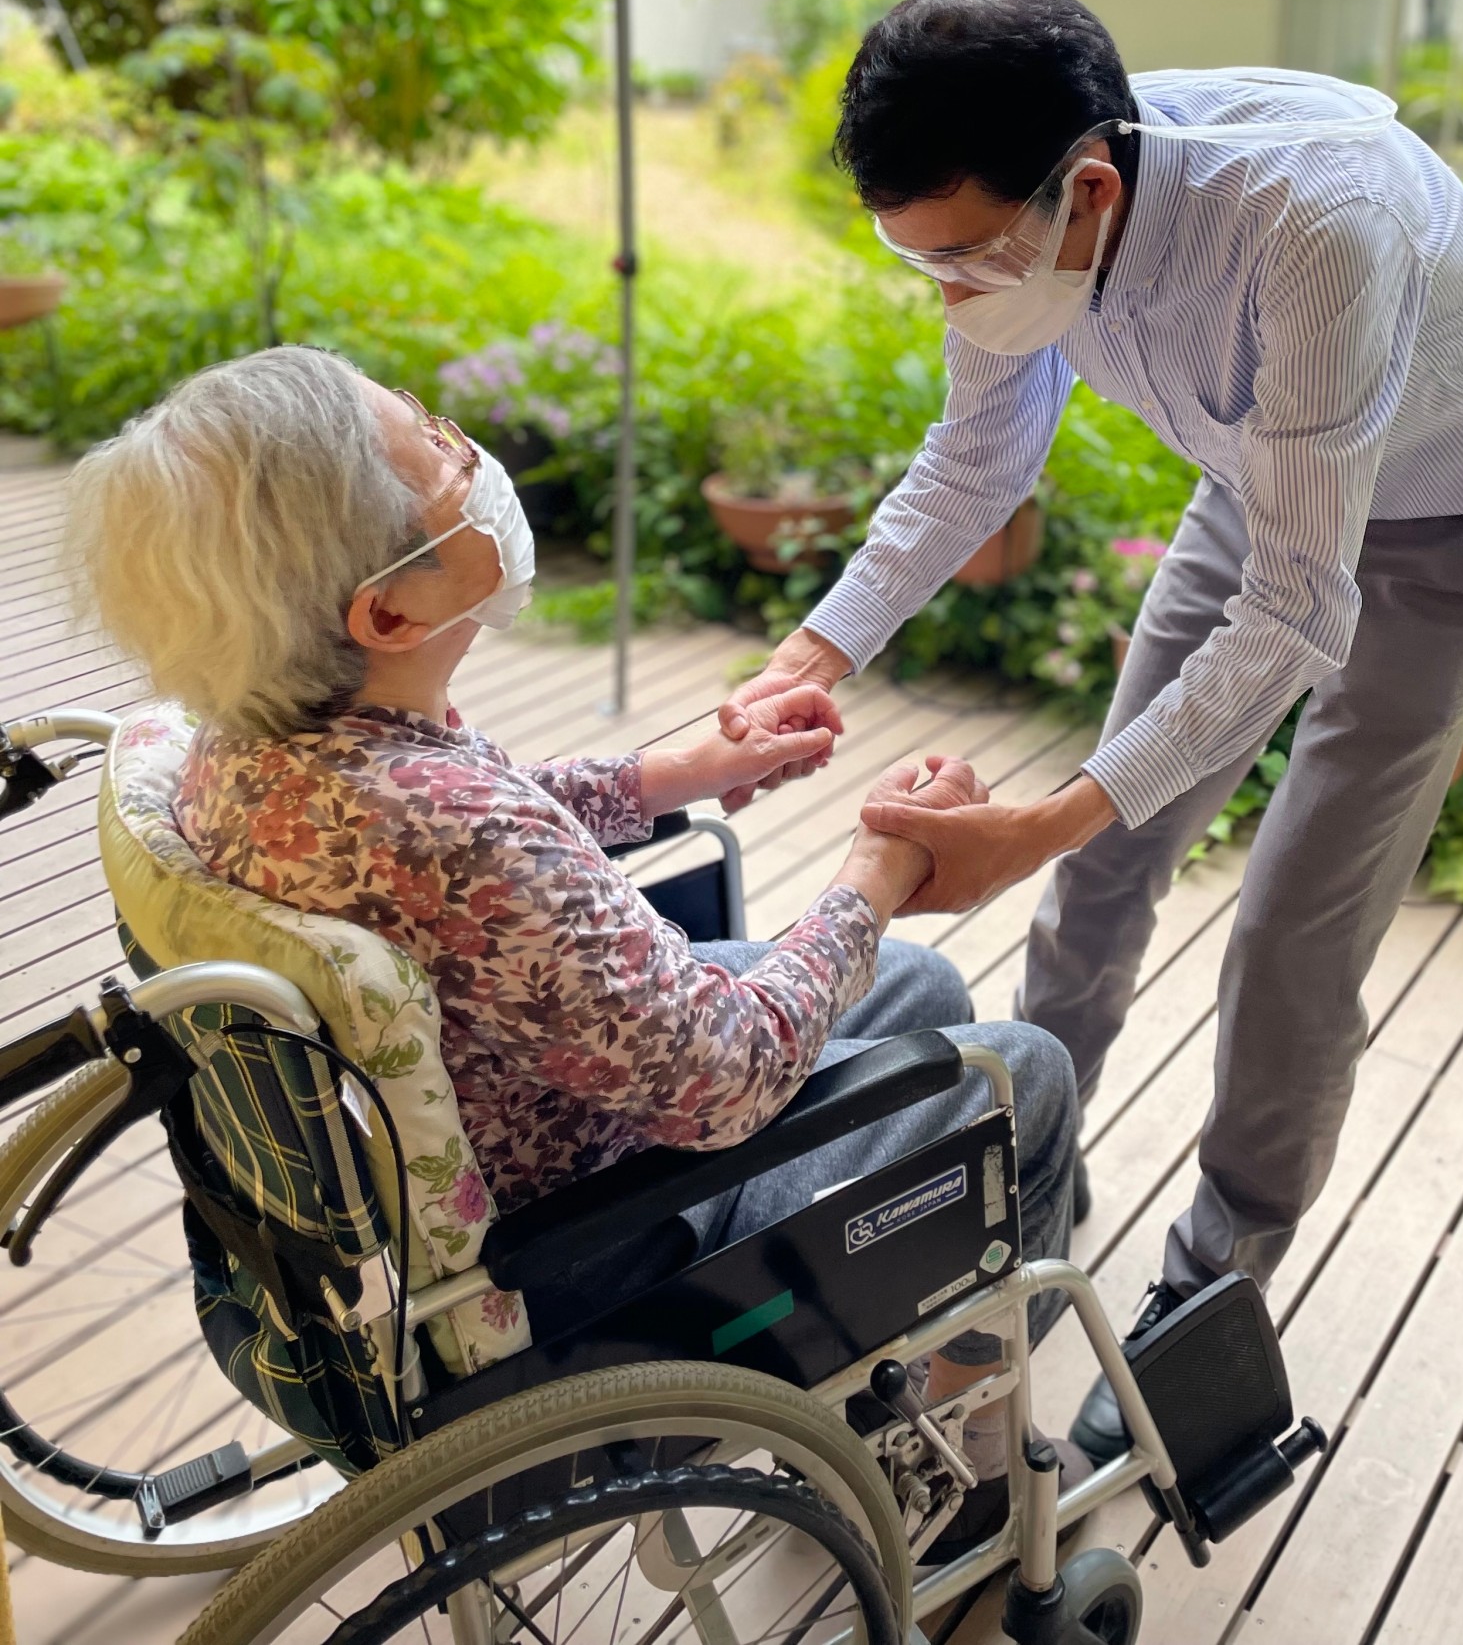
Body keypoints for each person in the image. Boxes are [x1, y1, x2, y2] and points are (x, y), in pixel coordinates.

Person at [720, 0, 1463, 1465]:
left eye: (964, 259)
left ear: (1092, 190)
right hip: (1259, 485)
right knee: (1107, 867)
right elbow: (974, 464)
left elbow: (1297, 614)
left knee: (1295, 927)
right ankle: (1025, 1188)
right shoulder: (1018, 216)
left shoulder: (1316, 225)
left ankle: (1214, 1282)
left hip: (1445, 529)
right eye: (916, 259)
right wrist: (811, 653)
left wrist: (1033, 822)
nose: (949, 295)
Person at [64, 346, 1080, 1522]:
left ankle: (893, 1357)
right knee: (1022, 1077)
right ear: (388, 609)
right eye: (438, 451)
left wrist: (669, 774)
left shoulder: (258, 743)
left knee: (917, 987)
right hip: (602, 1248)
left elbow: (483, 828)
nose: (467, 448)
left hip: (494, 1137)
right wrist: (881, 867)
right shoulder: (453, 834)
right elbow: (728, 1074)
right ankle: (962, 1452)